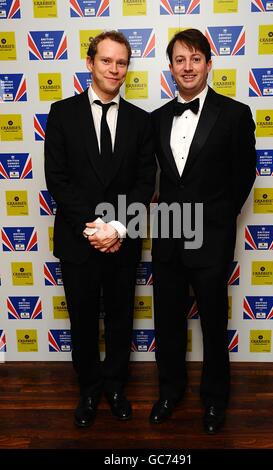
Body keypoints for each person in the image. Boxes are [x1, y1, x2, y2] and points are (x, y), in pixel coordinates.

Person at [44, 31, 156, 427]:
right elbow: (57, 179)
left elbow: (145, 184)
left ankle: (115, 387)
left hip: (123, 241)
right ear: (90, 62)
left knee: (122, 318)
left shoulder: (142, 122)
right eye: (106, 60)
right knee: (84, 319)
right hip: (79, 240)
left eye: (121, 62)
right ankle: (89, 390)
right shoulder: (61, 113)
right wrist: (94, 228)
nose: (114, 69)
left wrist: (118, 228)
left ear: (128, 68)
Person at [149, 29, 256, 434]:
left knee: (213, 324)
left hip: (211, 238)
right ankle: (170, 391)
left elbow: (244, 175)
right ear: (171, 67)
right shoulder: (157, 118)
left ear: (209, 63)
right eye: (180, 59)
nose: (188, 67)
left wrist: (218, 218)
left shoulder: (234, 113)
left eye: (195, 59)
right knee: (168, 323)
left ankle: (214, 400)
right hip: (168, 238)